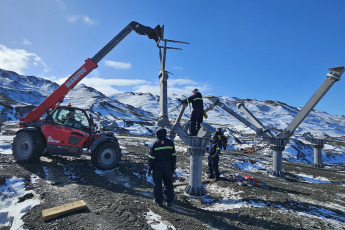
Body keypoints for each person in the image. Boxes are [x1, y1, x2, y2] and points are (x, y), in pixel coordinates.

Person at [147, 127, 176, 207]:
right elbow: (173, 156)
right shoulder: (170, 143)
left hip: (157, 167)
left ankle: (159, 201)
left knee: (158, 184)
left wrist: (150, 168)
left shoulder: (155, 144)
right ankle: (169, 201)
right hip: (168, 167)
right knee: (168, 184)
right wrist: (173, 167)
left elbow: (151, 158)